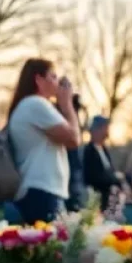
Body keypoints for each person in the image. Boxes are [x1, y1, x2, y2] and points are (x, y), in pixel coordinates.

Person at [6, 58, 80, 223]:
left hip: (39, 189)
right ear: (38, 80)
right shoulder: (35, 104)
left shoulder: (28, 105)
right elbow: (73, 139)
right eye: (53, 77)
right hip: (42, 189)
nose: (57, 83)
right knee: (51, 247)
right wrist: (67, 105)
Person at [82, 115, 124, 206]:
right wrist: (115, 178)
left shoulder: (104, 150)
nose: (106, 131)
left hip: (111, 199)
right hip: (97, 199)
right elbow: (93, 176)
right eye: (104, 128)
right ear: (96, 130)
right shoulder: (89, 151)